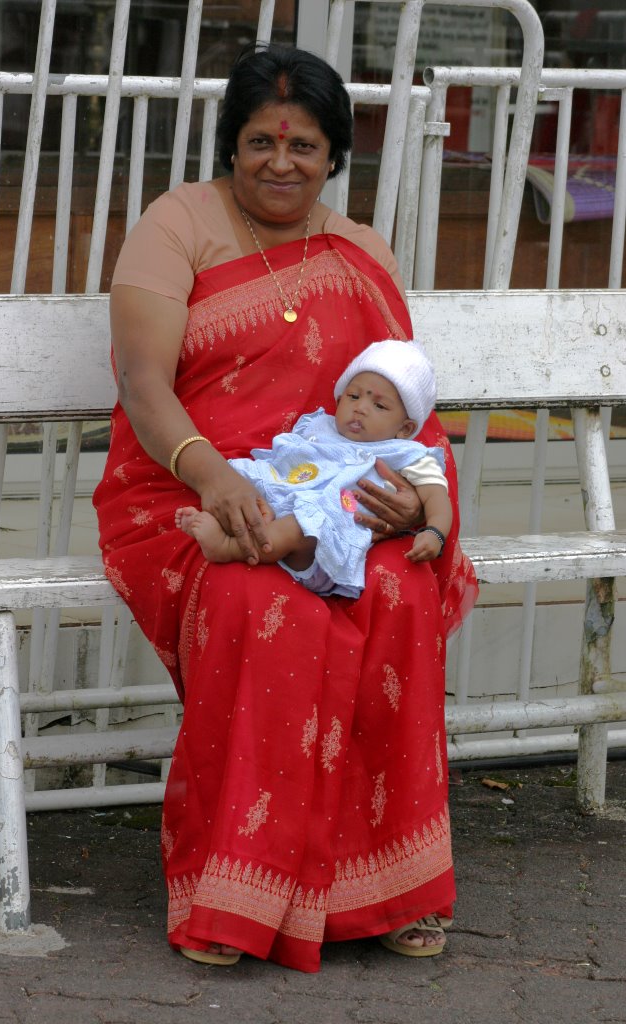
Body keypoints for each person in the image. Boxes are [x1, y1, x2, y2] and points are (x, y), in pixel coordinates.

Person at [93, 42, 479, 973]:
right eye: (261, 140)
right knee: (255, 604)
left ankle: (388, 891)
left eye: (303, 144)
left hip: (337, 499)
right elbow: (144, 384)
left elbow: (400, 413)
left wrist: (400, 510)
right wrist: (209, 472)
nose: (280, 161)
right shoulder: (178, 222)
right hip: (186, 494)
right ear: (231, 145)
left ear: (334, 154)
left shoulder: (358, 252)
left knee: (395, 590)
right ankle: (235, 896)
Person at [175, 339, 452, 598]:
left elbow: (436, 497)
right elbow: (285, 462)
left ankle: (227, 547)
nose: (361, 409)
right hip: (283, 504)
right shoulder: (322, 428)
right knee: (247, 478)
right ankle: (230, 522)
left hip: (322, 545)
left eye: (379, 405)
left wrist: (435, 532)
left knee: (302, 525)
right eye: (353, 397)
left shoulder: (408, 454)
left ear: (405, 428)